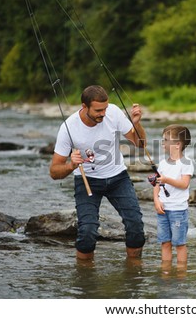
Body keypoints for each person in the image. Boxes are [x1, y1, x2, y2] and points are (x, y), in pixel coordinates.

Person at [49, 85, 146, 261]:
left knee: (136, 227)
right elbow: (54, 172)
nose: (103, 113)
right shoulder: (68, 128)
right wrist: (71, 165)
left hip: (118, 178)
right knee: (87, 233)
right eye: (98, 110)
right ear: (84, 107)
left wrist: (136, 124)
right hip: (88, 181)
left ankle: (134, 273)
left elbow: (140, 144)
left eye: (105, 109)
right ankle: (85, 280)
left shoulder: (114, 112)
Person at [153, 124, 193, 267]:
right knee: (165, 242)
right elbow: (157, 184)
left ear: (177, 144)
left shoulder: (186, 163)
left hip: (178, 211)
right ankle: (166, 271)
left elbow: (184, 184)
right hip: (163, 209)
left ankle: (181, 272)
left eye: (165, 140)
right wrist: (156, 200)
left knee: (179, 243)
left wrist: (166, 179)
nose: (163, 142)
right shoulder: (163, 163)